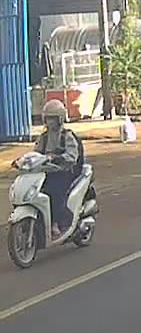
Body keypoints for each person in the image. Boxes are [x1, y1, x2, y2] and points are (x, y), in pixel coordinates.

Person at [32, 100, 83, 240]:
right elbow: (35, 153)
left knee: (54, 192)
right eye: (48, 118)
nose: (50, 122)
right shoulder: (43, 137)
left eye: (53, 118)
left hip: (64, 172)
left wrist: (57, 158)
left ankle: (57, 223)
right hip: (46, 172)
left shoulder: (67, 136)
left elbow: (72, 156)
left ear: (60, 118)